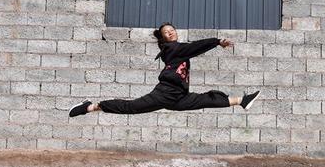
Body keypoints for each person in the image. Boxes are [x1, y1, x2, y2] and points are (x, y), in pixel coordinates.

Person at [69, 22, 260, 117]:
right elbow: (194, 47)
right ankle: (91, 106)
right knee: (131, 107)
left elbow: (190, 49)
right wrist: (217, 42)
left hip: (179, 96)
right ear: (164, 39)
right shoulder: (172, 49)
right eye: (166, 33)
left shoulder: (178, 50)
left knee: (205, 100)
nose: (171, 33)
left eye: (172, 30)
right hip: (164, 94)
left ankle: (242, 100)